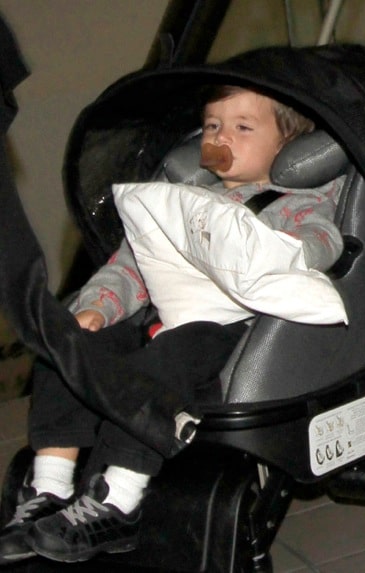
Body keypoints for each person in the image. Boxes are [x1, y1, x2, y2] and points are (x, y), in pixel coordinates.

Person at [0, 84, 345, 565]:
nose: (222, 136)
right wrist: (97, 307)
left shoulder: (293, 204)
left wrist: (287, 251)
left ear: (288, 148)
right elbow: (130, 266)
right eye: (212, 126)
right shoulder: (179, 202)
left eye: (243, 127)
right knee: (69, 340)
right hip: (162, 318)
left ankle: (118, 499)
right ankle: (50, 485)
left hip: (230, 332)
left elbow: (321, 239)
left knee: (173, 353)